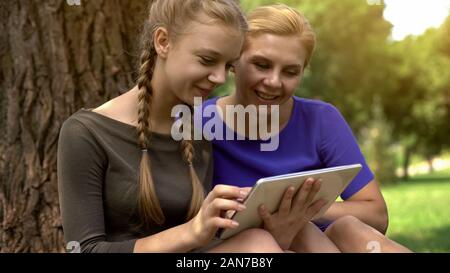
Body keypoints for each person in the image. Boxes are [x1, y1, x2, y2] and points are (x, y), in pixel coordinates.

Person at [57, 0, 284, 253]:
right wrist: (192, 232)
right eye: (207, 59)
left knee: (259, 242)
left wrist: (230, 217)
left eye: (228, 66)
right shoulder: (85, 133)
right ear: (163, 41)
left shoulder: (196, 133)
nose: (220, 78)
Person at [201, 4, 412, 253]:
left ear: (302, 72)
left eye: (290, 71)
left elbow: (376, 214)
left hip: (320, 242)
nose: (273, 82)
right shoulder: (200, 123)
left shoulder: (321, 120)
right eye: (262, 65)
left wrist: (299, 211)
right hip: (248, 250)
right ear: (234, 60)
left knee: (349, 230)